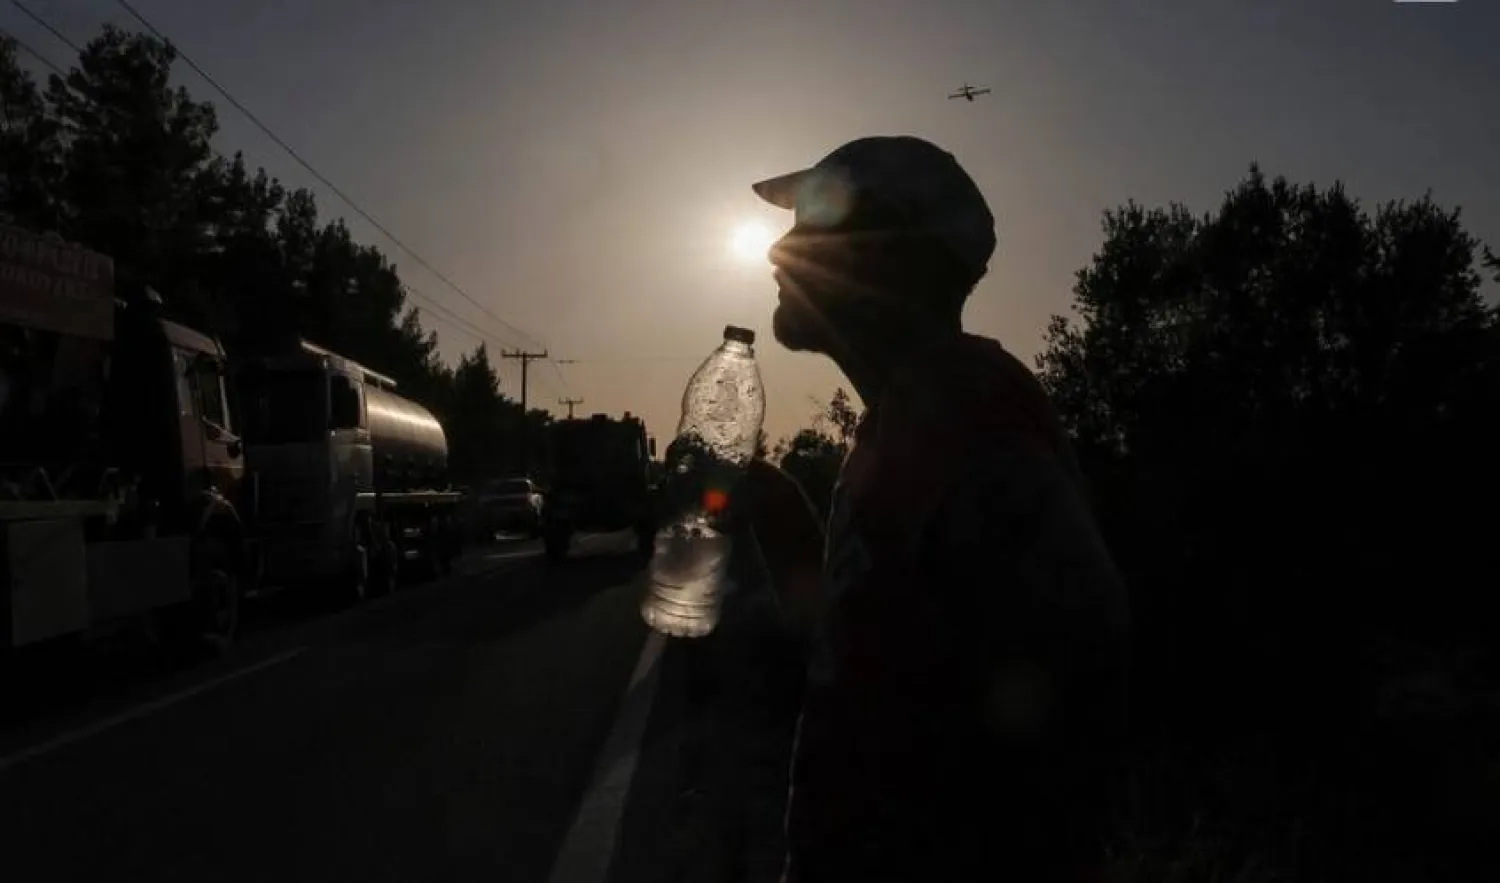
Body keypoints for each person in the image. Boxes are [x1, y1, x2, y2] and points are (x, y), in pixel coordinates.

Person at [741, 136, 1132, 883]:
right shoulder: (900, 422)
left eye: (816, 220)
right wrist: (771, 503)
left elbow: (1085, 642)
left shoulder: (963, 401)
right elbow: (868, 645)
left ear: (898, 256)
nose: (778, 248)